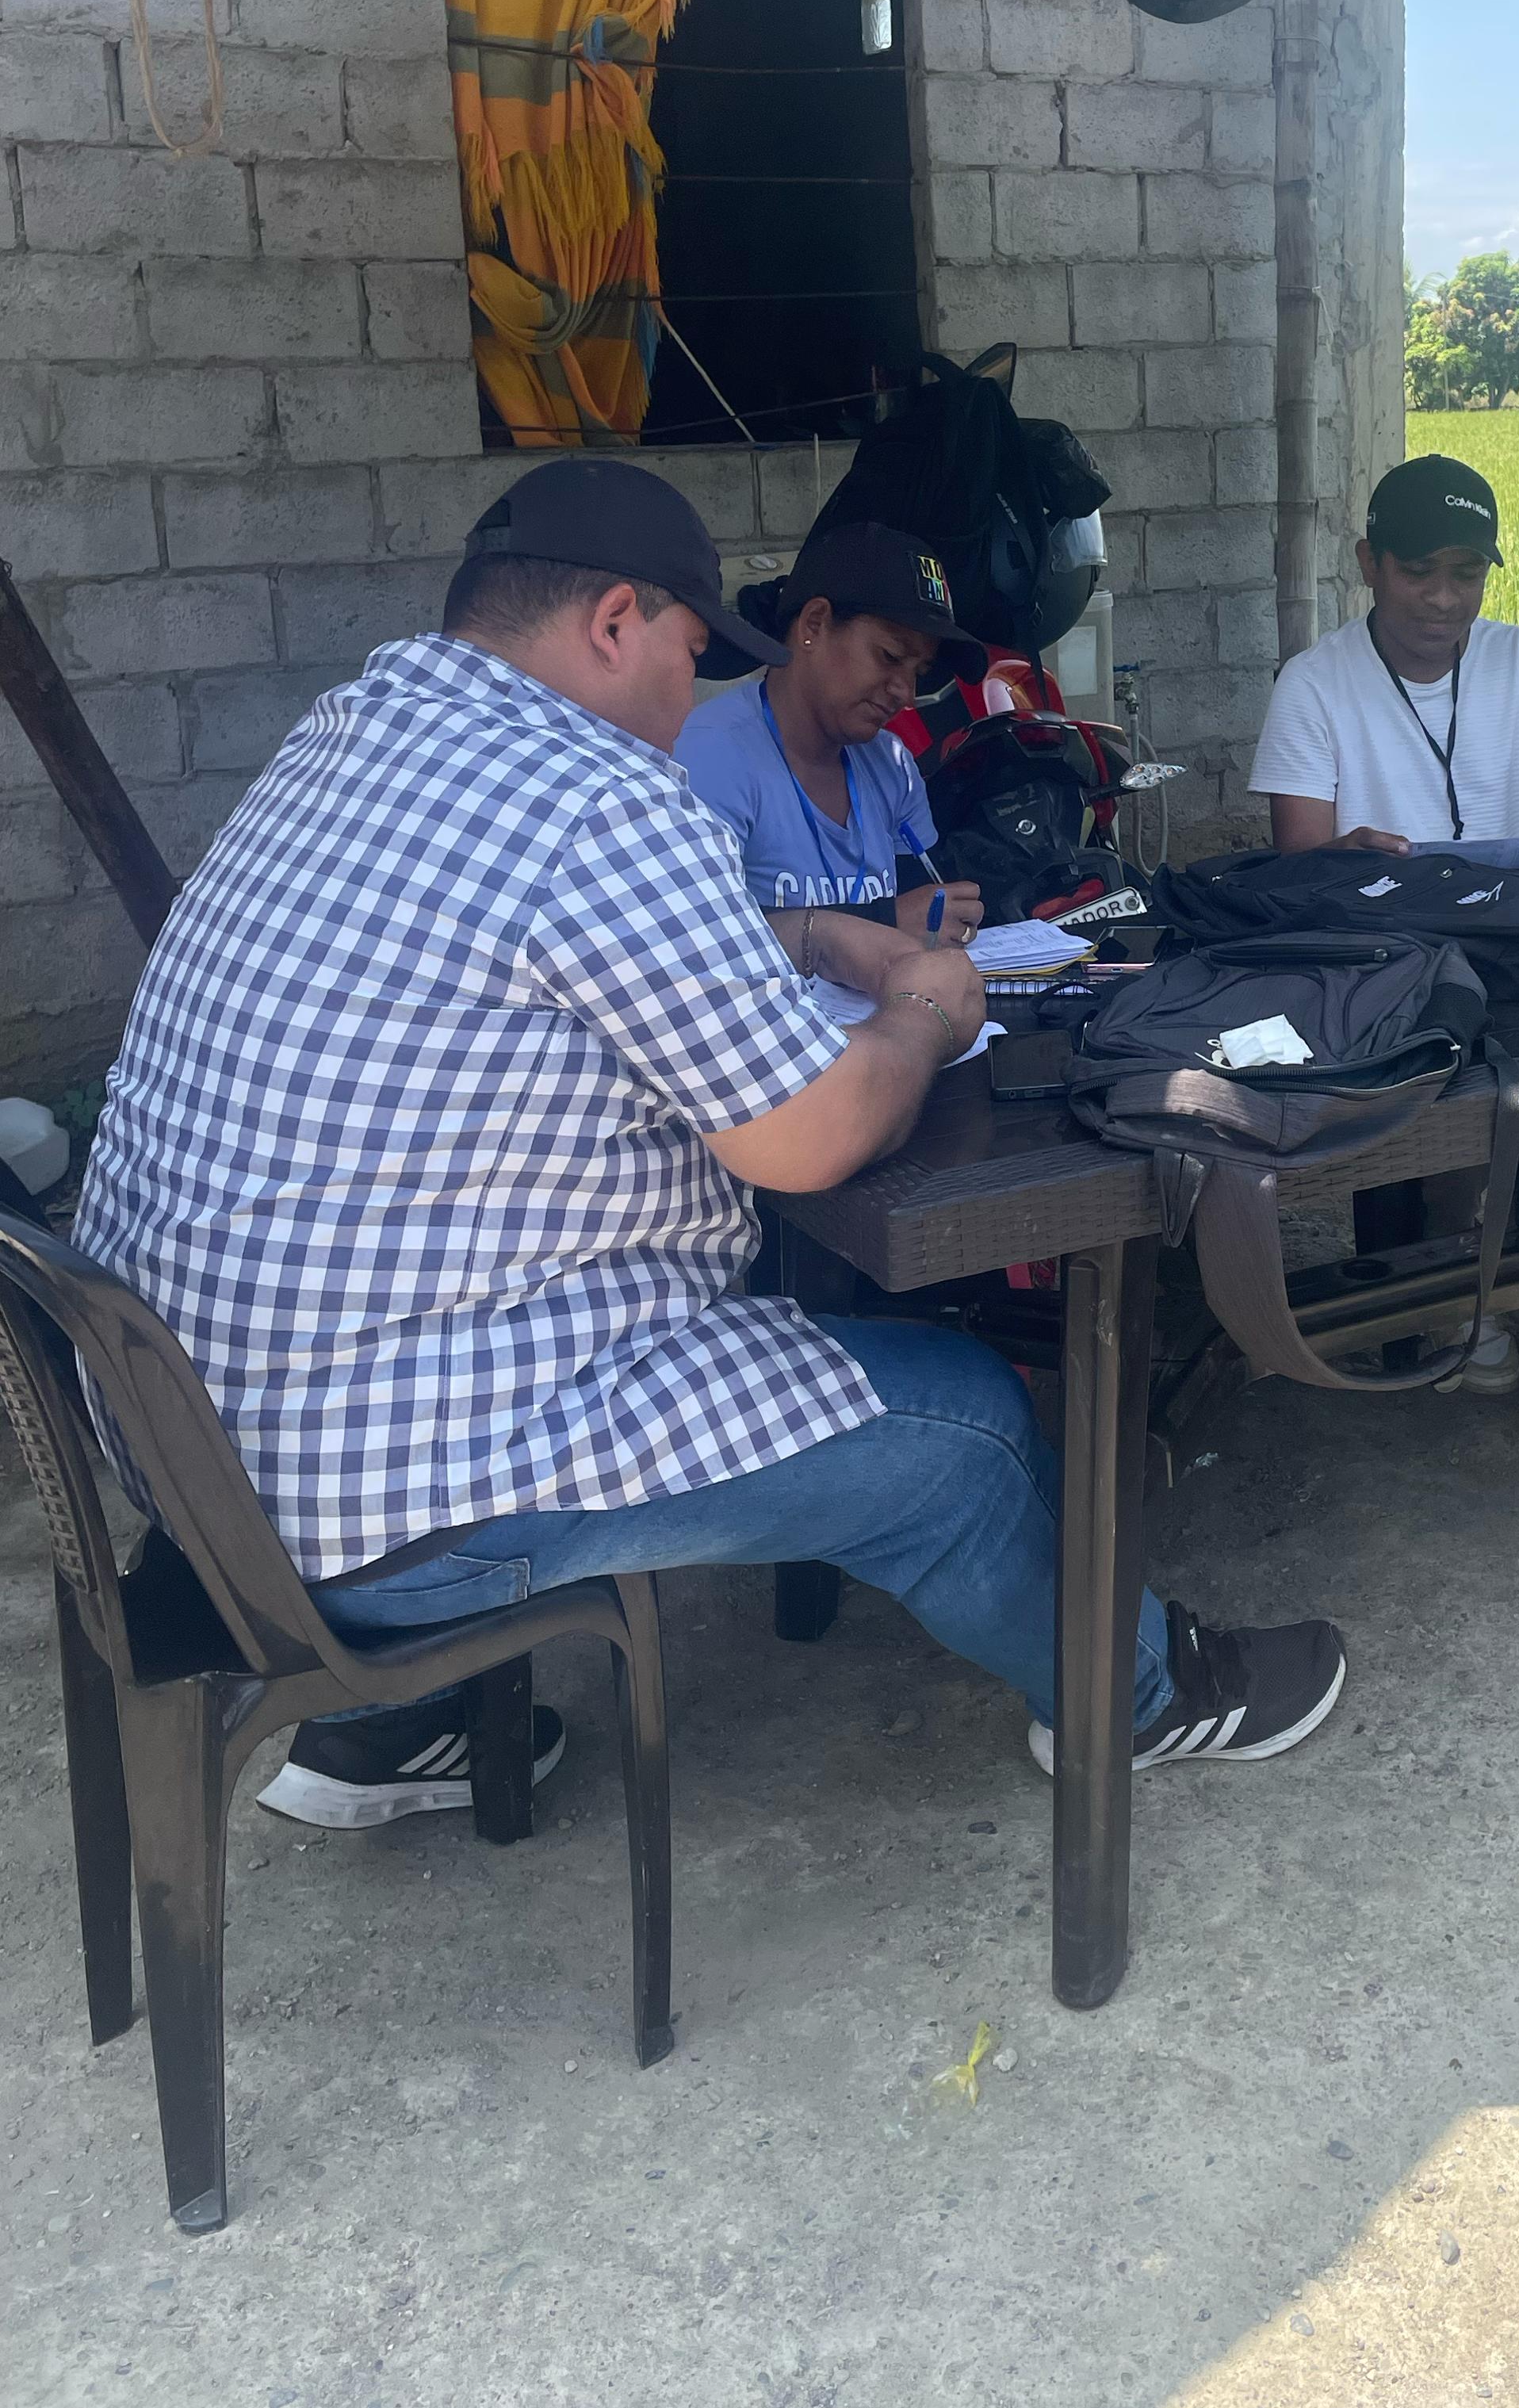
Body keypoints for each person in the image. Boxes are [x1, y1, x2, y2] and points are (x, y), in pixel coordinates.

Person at [75, 457, 1345, 1829]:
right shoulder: (594, 793)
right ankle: (1143, 1695)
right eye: (691, 651)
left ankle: (381, 1727)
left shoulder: (350, 736)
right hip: (369, 1504)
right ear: (616, 620)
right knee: (965, 1430)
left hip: (191, 1454)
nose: (693, 694)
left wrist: (801, 936)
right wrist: (924, 1012)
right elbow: (809, 1138)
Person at [1247, 451, 1519, 1398]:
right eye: (1418, 571)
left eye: (1466, 573)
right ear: (1369, 564)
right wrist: (1348, 854)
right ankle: (1474, 1273)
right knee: (1449, 1064)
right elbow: (1299, 859)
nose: (1443, 598)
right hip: (1392, 954)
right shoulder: (1315, 683)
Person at [677, 522, 985, 967]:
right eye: (891, 656)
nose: (906, 693)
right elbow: (693, 941)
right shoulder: (710, 755)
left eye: (919, 671)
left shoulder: (892, 764)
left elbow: (923, 909)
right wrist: (884, 920)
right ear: (815, 624)